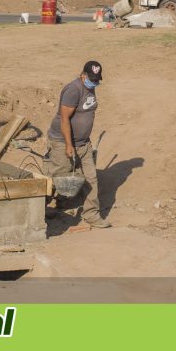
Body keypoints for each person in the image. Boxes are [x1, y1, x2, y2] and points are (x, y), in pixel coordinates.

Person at [44, 61, 110, 228]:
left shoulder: (90, 87)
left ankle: (91, 214)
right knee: (58, 178)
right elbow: (65, 118)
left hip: (83, 143)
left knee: (91, 179)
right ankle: (40, 208)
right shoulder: (73, 89)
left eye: (97, 80)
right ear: (83, 74)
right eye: (92, 79)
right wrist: (68, 145)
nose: (94, 82)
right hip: (62, 141)